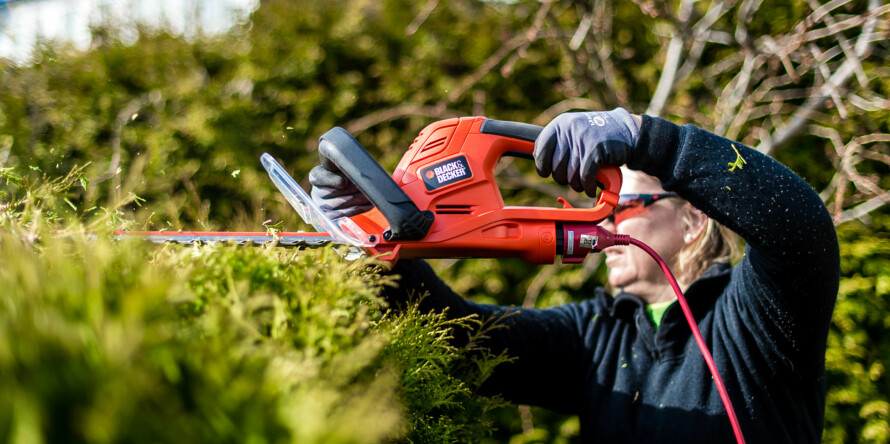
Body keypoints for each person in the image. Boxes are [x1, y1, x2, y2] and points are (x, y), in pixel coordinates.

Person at [309, 108, 840, 443]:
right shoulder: (595, 333)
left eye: (625, 205)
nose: (607, 220)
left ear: (693, 219)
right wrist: (375, 241)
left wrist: (650, 140)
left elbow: (799, 229)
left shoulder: (757, 316)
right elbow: (465, 343)